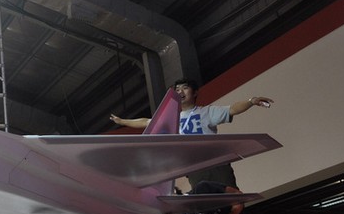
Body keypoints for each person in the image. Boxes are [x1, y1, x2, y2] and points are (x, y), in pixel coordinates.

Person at [109, 78, 273, 187]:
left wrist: (251, 101)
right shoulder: (170, 118)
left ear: (194, 93)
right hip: (194, 167)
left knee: (231, 200)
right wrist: (122, 122)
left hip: (216, 163)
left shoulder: (206, 112)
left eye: (185, 88)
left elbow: (232, 109)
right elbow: (145, 122)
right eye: (177, 89)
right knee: (206, 207)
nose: (180, 91)